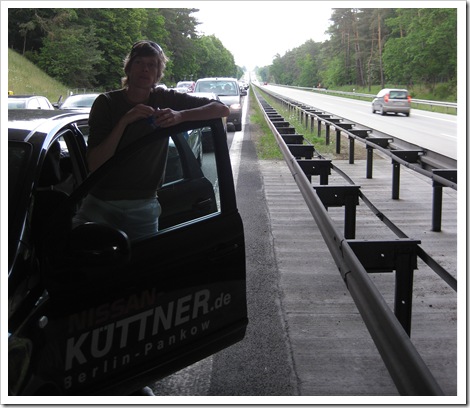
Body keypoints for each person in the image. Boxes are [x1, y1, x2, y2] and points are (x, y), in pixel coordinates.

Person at [73, 40, 230, 241]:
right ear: (128, 68)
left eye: (152, 64)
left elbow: (221, 109)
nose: (145, 69)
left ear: (158, 73)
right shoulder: (106, 103)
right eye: (139, 62)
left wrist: (180, 116)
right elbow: (95, 163)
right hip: (100, 202)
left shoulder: (164, 98)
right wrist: (124, 121)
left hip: (144, 205)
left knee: (146, 268)